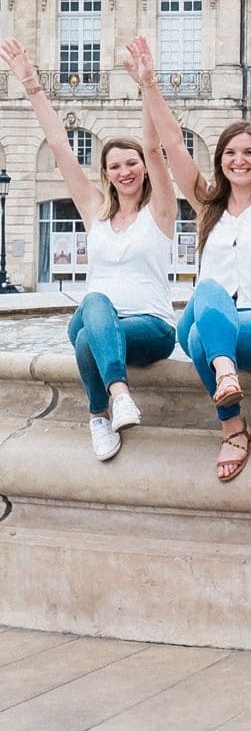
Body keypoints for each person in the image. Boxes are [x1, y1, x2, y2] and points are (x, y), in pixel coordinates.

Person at [122, 33, 251, 483]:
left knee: (200, 335)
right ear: (220, 161)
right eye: (230, 153)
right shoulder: (208, 206)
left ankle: (232, 424)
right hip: (212, 315)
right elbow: (174, 148)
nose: (239, 160)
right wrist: (149, 84)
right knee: (207, 301)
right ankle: (226, 378)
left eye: (249, 153)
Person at [2, 36, 176, 459]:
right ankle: (118, 397)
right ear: (106, 174)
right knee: (93, 311)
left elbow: (154, 147)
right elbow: (60, 147)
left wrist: (147, 84)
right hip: (102, 320)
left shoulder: (160, 210)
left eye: (131, 163)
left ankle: (100, 415)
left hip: (151, 327)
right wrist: (32, 85)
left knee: (85, 335)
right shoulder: (95, 210)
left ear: (143, 168)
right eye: (114, 166)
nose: (125, 171)